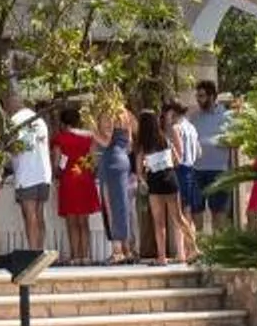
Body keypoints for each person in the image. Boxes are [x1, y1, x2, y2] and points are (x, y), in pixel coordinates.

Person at [51, 102, 102, 265]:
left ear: (63, 123)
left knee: (72, 221)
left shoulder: (60, 139)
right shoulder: (89, 137)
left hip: (68, 180)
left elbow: (57, 162)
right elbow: (93, 161)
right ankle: (85, 255)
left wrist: (57, 174)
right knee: (84, 221)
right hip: (84, 178)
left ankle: (75, 256)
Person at [5, 87, 53, 256]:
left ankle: (33, 252)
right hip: (43, 172)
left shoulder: (14, 121)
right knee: (39, 213)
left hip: (26, 173)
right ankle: (40, 250)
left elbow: (15, 148)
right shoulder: (39, 120)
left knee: (30, 213)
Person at [137, 109, 185, 267]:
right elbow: (177, 160)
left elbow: (139, 171)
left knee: (159, 223)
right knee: (178, 218)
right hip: (170, 178)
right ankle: (194, 249)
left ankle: (162, 257)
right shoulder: (164, 138)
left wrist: (146, 178)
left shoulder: (143, 145)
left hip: (155, 183)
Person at [99, 101, 140, 264]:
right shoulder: (128, 116)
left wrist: (92, 132)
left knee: (110, 205)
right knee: (124, 205)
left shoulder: (107, 115)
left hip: (111, 161)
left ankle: (117, 250)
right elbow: (130, 143)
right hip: (124, 160)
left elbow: (106, 140)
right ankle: (127, 248)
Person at [192, 81, 235, 226]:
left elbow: (235, 141)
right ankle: (199, 246)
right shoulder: (195, 117)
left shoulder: (227, 116)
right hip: (197, 171)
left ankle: (218, 246)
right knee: (196, 209)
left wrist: (219, 141)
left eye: (202, 96)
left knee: (219, 211)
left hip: (219, 171)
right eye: (197, 96)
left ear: (212, 96)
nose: (198, 99)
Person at [169, 95, 205, 245]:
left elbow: (179, 153)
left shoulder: (176, 128)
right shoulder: (192, 127)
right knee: (188, 210)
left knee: (180, 211)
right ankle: (192, 245)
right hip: (191, 169)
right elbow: (198, 153)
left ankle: (184, 248)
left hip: (180, 169)